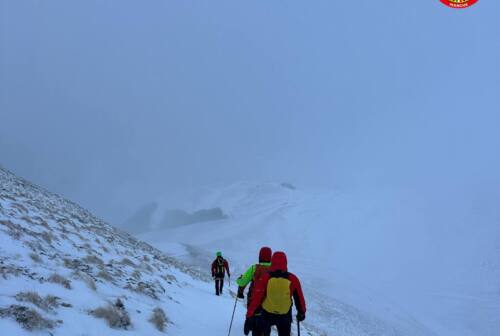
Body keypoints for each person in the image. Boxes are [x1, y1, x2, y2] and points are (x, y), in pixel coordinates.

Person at [244, 251, 306, 336]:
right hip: (285, 315)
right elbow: (299, 298)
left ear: (272, 262)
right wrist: (301, 312)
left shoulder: (266, 277)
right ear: (286, 262)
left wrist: (249, 315)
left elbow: (256, 298)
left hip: (267, 314)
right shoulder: (293, 278)